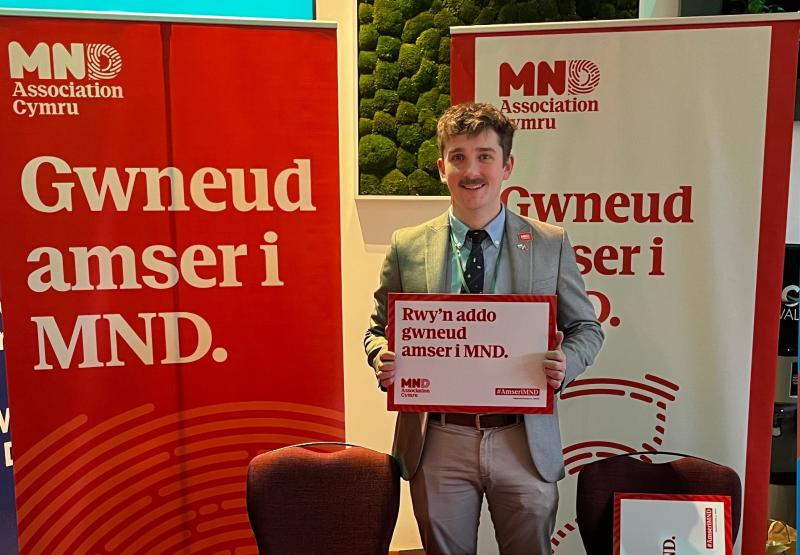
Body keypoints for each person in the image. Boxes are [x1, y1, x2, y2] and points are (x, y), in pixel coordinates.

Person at [364, 102, 603, 555]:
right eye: (458, 157)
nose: (471, 170)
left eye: (484, 156)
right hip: (438, 440)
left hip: (523, 436)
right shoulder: (407, 246)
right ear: (442, 167)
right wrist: (381, 356)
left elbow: (587, 328)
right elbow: (377, 330)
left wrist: (565, 363)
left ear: (507, 165)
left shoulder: (549, 243)